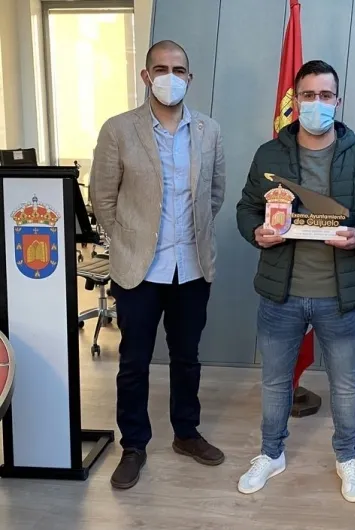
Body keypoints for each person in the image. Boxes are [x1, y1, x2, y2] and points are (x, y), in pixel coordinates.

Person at [235, 60, 355, 503]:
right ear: (295, 101)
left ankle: (346, 457)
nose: (317, 104)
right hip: (280, 293)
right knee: (274, 381)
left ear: (337, 101)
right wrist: (255, 231)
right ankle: (271, 454)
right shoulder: (268, 155)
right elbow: (247, 208)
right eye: (308, 95)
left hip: (339, 295)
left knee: (345, 385)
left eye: (325, 96)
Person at [90, 40, 227, 490]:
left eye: (179, 69)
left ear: (190, 77)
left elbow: (215, 193)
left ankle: (186, 433)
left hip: (192, 267)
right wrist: (127, 238)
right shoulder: (119, 129)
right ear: (146, 76)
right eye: (162, 69)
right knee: (134, 362)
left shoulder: (208, 130)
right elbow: (102, 197)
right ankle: (133, 445)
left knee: (187, 358)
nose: (171, 77)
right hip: (139, 270)